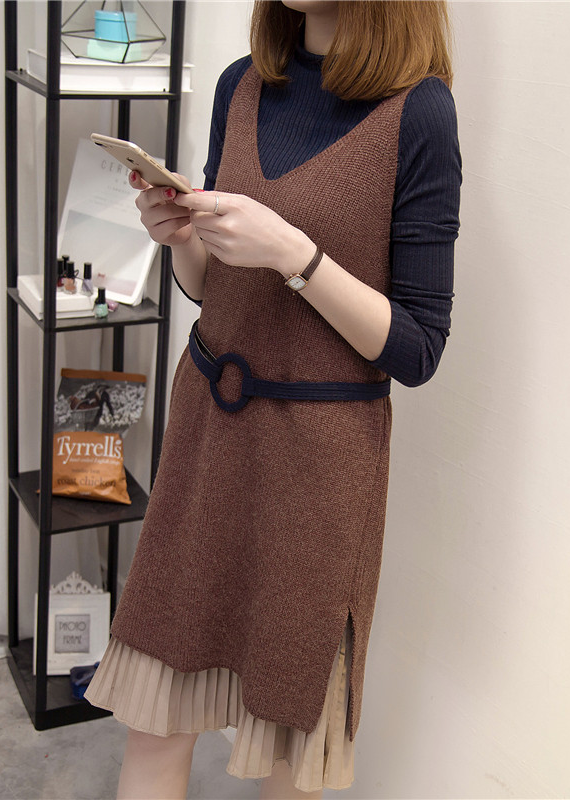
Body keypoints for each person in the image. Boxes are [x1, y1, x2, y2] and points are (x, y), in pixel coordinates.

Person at [83, 1, 461, 797]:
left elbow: (418, 348)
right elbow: (211, 288)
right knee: (154, 719)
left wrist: (293, 253)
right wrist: (180, 234)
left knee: (290, 743)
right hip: (208, 433)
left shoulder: (419, 113)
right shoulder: (243, 85)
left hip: (318, 470)